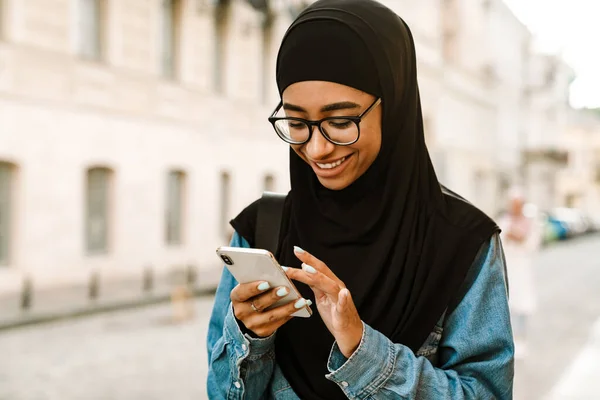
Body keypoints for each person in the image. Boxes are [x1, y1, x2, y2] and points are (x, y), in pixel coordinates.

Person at [207, 0, 514, 398]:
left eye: (339, 122)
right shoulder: (262, 228)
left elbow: (487, 393)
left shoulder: (460, 242)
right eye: (297, 123)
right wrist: (250, 338)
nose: (317, 149)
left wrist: (361, 347)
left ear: (395, 106)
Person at [499, 187, 541, 360]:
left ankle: (522, 341)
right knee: (506, 305)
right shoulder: (504, 221)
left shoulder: (531, 222)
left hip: (522, 268)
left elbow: (533, 244)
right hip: (507, 268)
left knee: (522, 305)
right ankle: (505, 343)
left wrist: (519, 238)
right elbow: (500, 240)